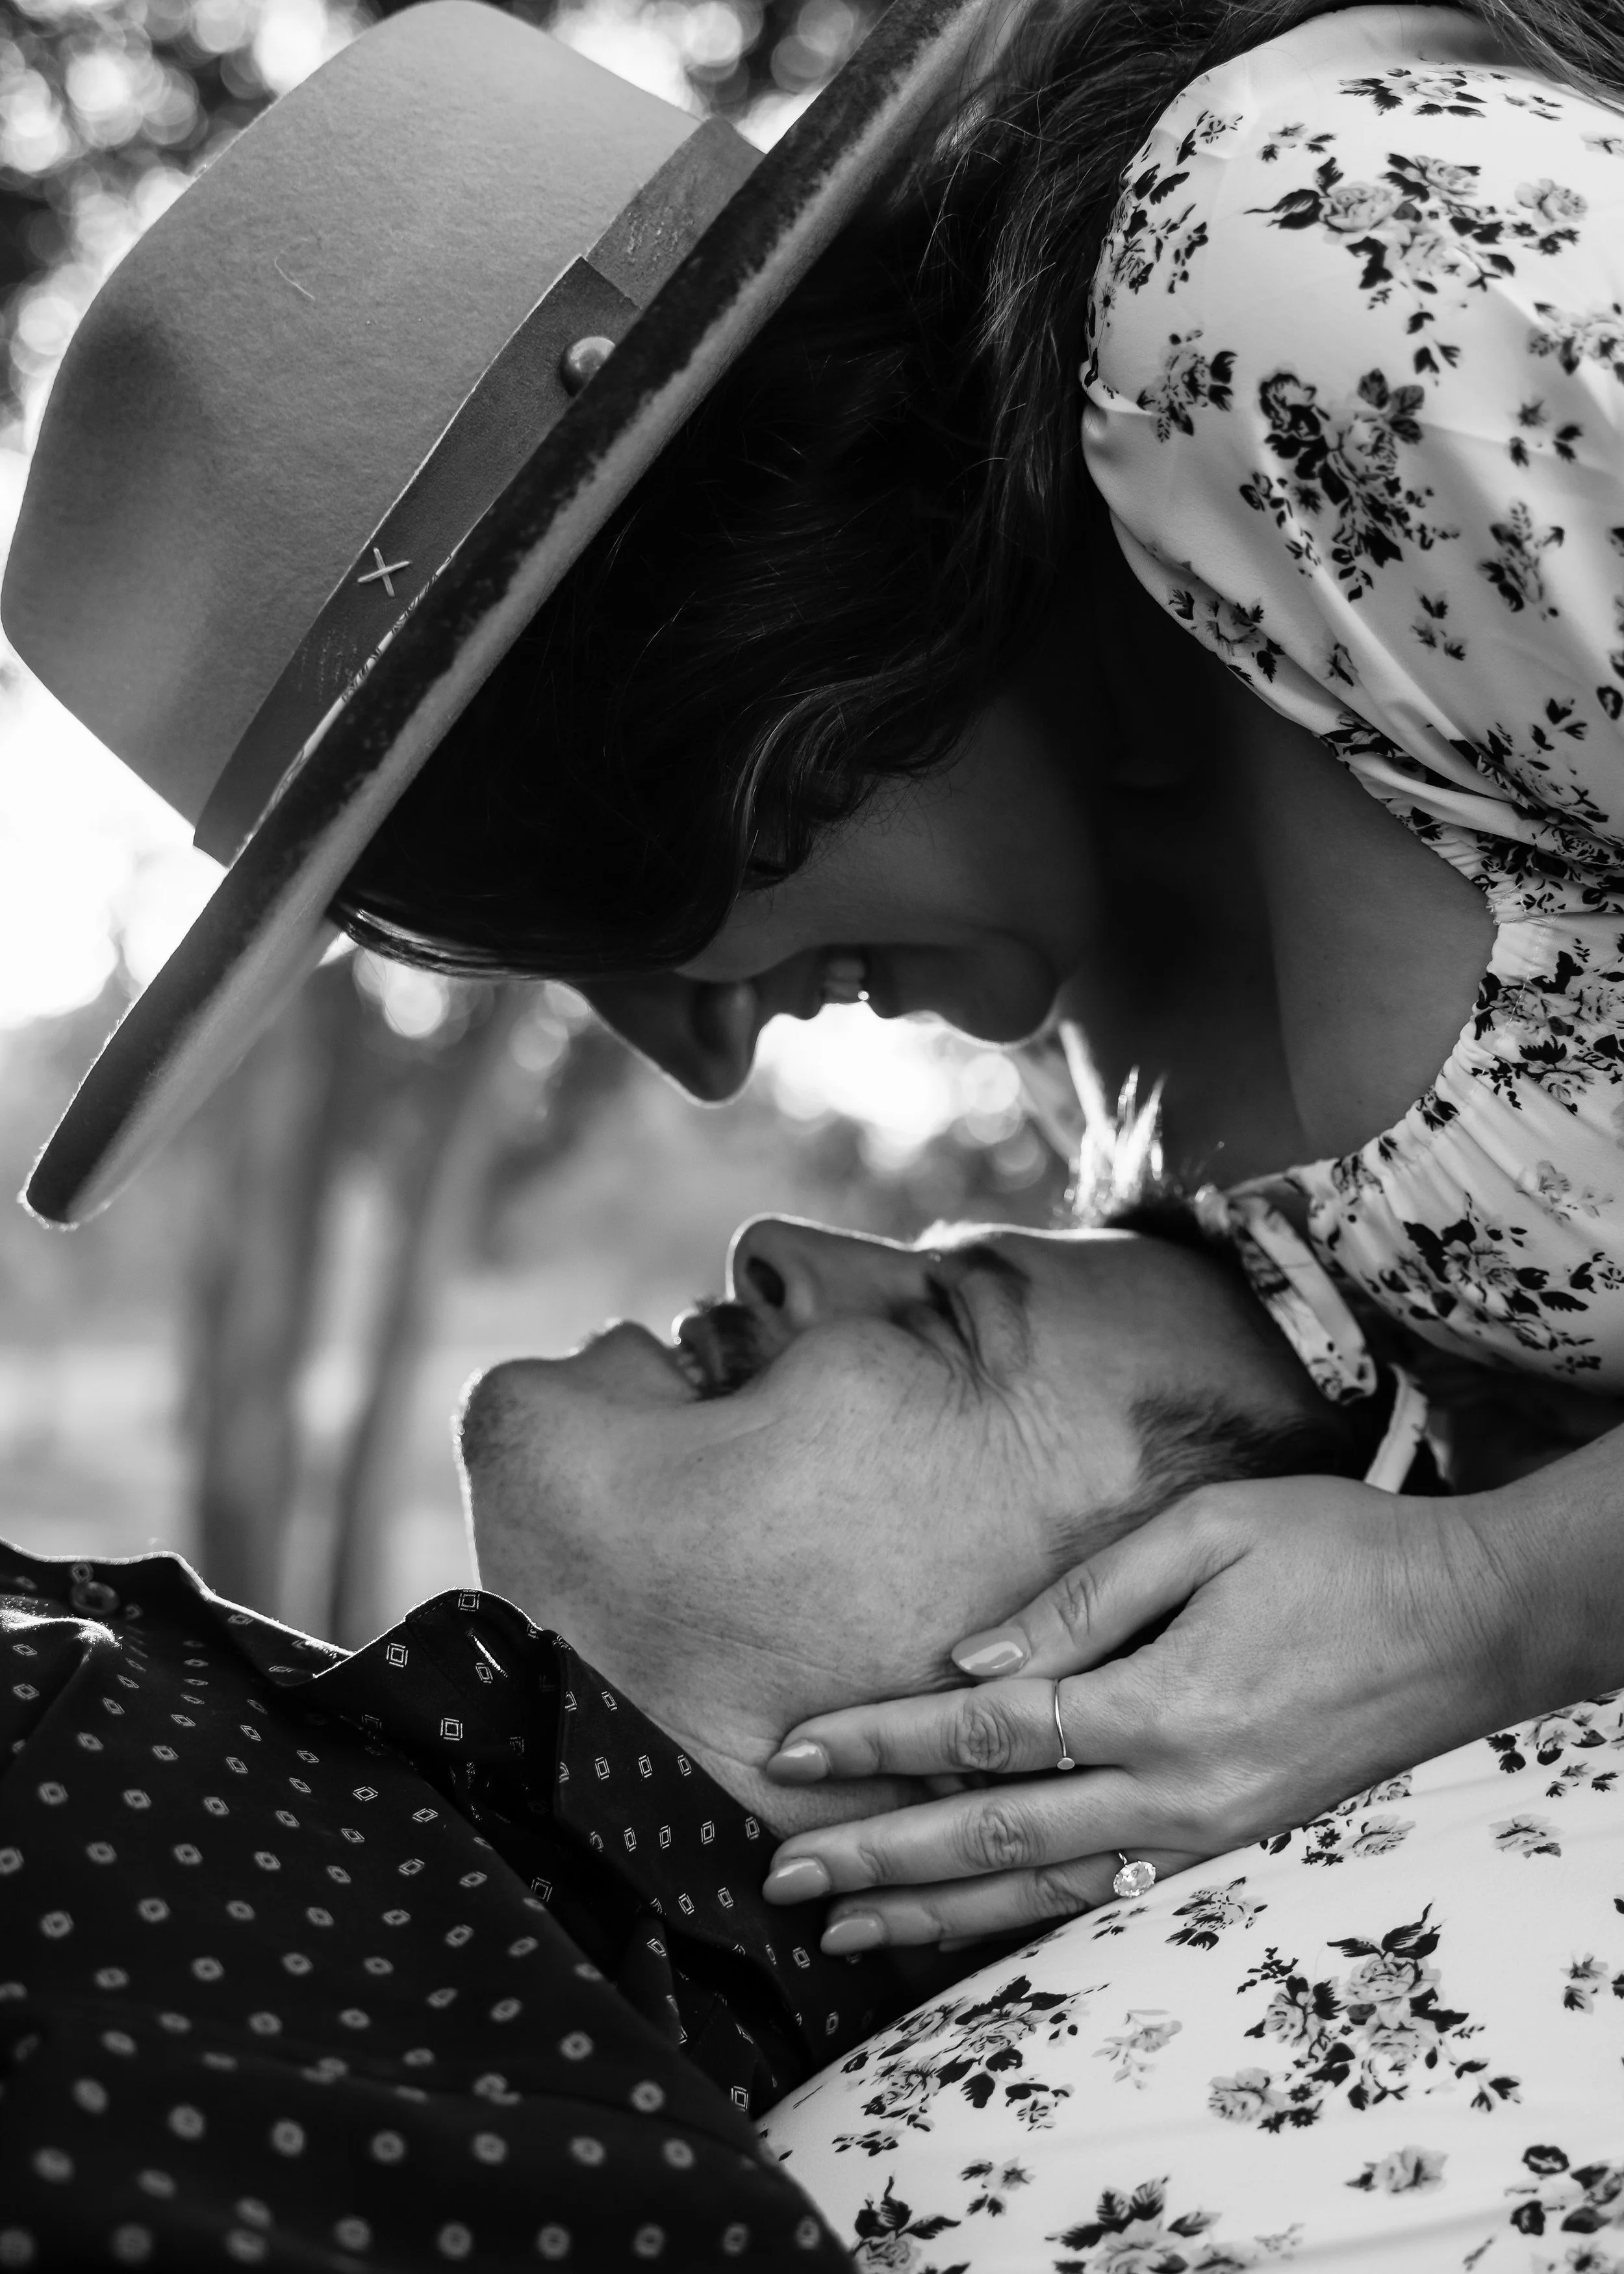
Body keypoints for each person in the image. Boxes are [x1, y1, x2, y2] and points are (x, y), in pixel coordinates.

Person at [6, 1203, 1619, 2268]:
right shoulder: (367, 1809)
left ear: (1124, 1687)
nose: (774, 1243)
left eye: (944, 1325)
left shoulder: (568, 2182)